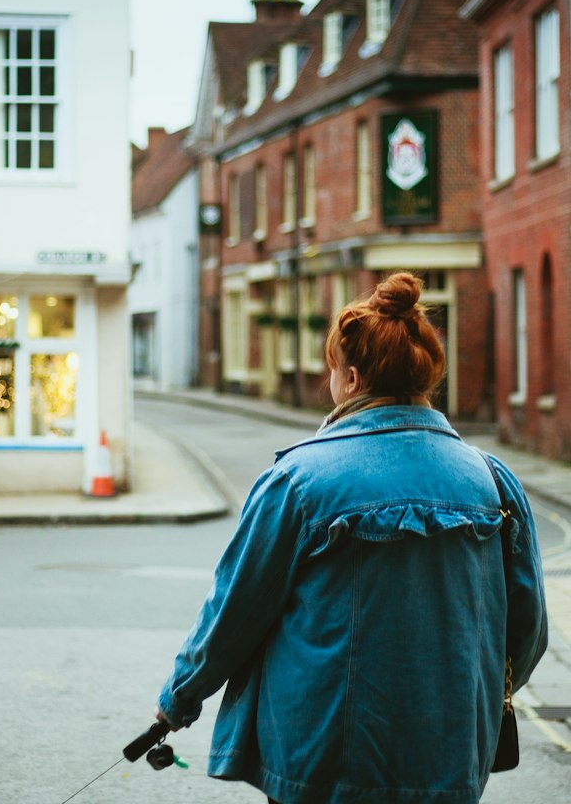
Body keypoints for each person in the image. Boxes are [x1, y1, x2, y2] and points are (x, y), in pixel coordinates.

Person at [155, 272, 548, 804]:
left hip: (323, 758)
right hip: (449, 755)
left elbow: (235, 612)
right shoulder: (491, 479)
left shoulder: (299, 481)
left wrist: (178, 700)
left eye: (334, 369)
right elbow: (527, 632)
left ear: (354, 378)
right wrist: (464, 702)